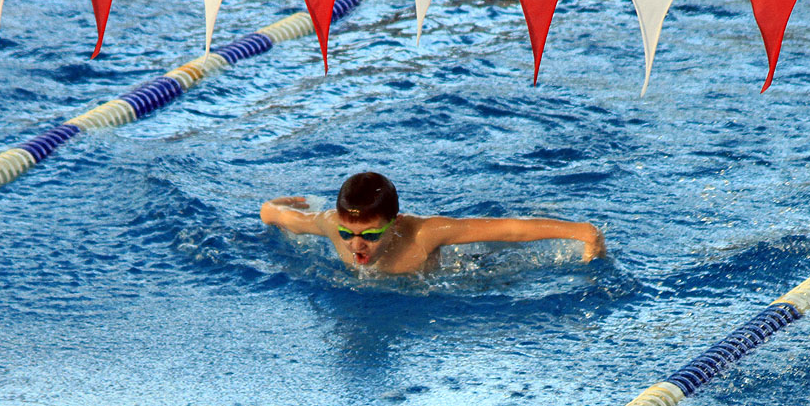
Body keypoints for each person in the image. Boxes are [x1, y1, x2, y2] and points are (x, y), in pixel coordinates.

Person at [260, 171, 606, 274]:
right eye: (346, 233)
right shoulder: (329, 224)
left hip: (462, 273)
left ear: (395, 224)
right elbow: (273, 214)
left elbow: (509, 229)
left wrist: (582, 233)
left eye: (371, 235)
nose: (356, 244)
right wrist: (280, 204)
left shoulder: (425, 233)